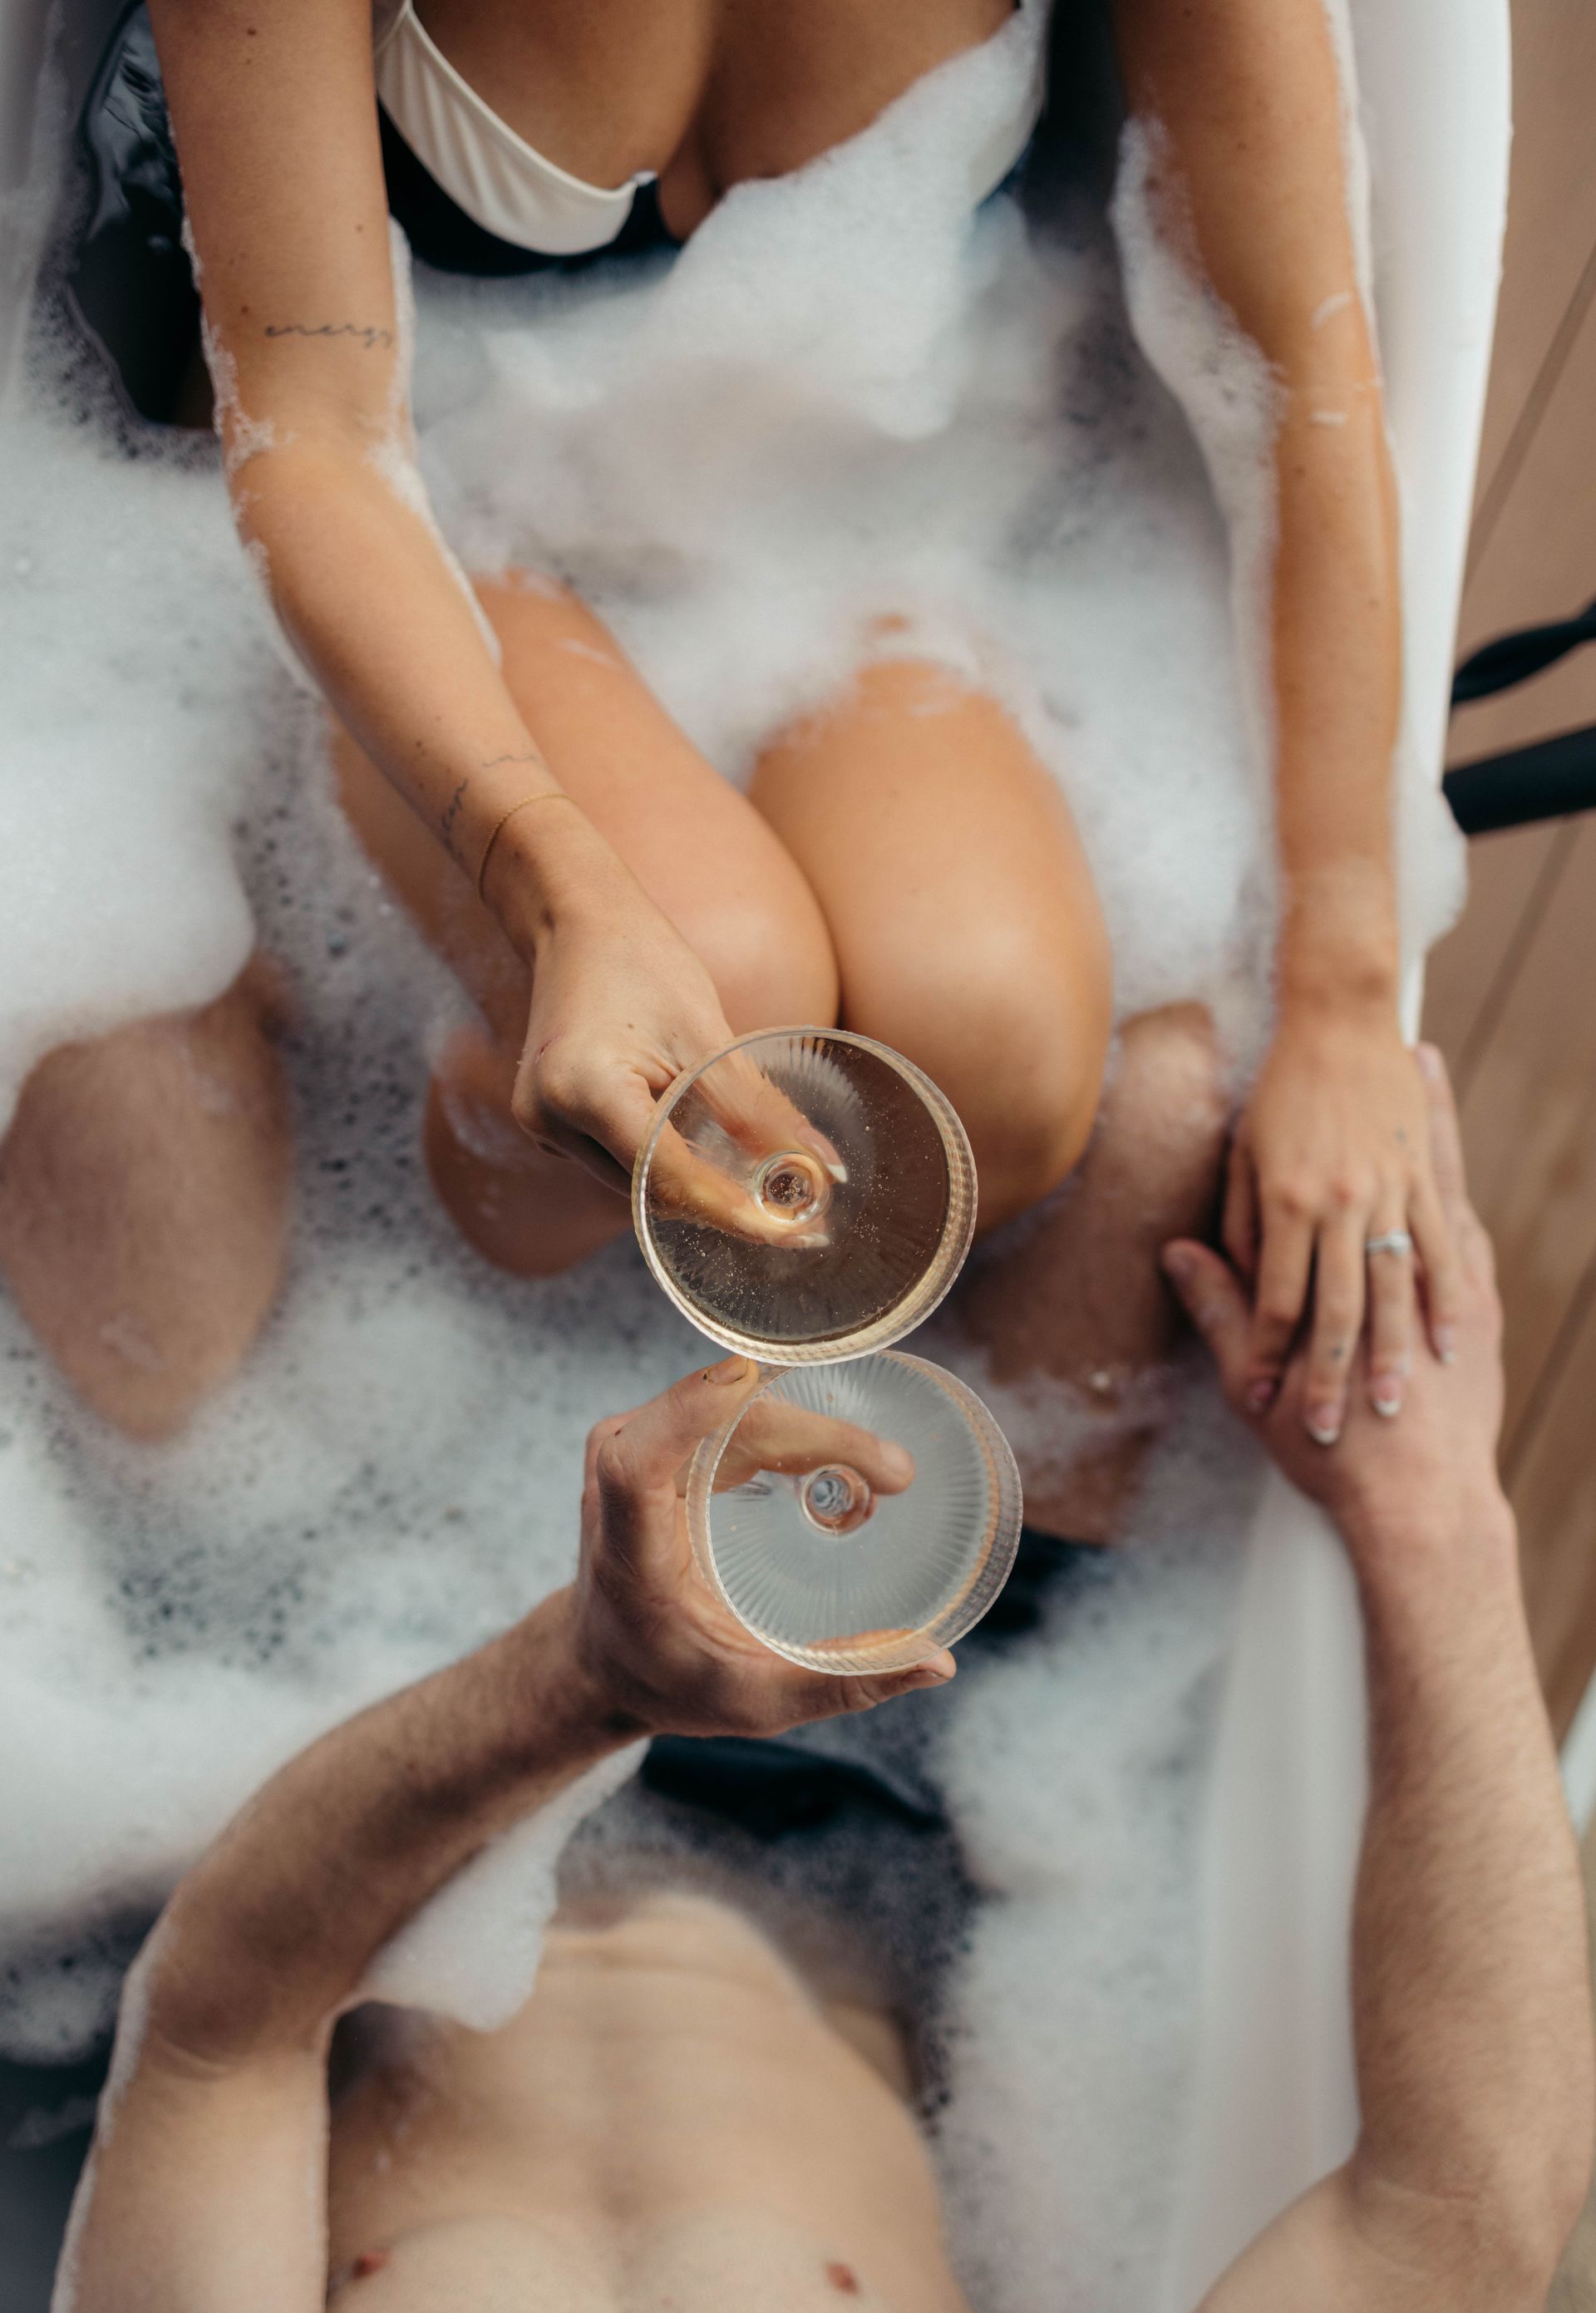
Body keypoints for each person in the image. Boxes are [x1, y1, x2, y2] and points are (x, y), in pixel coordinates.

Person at [1, 0, 1455, 1458]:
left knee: (988, 1069)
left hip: (836, 495)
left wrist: (1340, 994)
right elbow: (312, 433)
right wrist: (561, 894)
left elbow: (1303, 394)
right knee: (715, 993)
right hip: (404, 499)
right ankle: (430, 1165)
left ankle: (782, 1563)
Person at [37, 1049, 1593, 2313]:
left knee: (112, 1069)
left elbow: (220, 2029)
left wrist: (582, 1682)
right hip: (881, 1774)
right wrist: (1428, 1512)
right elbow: (1462, 2213)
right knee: (1173, 1102)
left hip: (343, 1786)